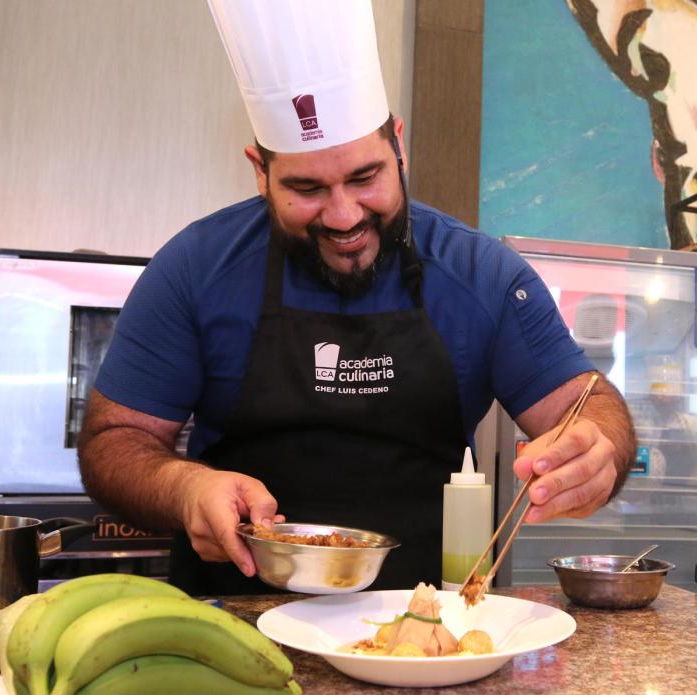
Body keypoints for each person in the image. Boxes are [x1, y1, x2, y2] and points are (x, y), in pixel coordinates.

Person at [77, 0, 635, 595]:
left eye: (365, 177)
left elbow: (587, 405)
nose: (344, 217)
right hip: (231, 620)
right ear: (259, 171)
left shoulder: (481, 274)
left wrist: (596, 450)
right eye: (306, 188)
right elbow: (115, 443)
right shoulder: (195, 267)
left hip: (425, 630)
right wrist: (185, 487)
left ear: (399, 145)